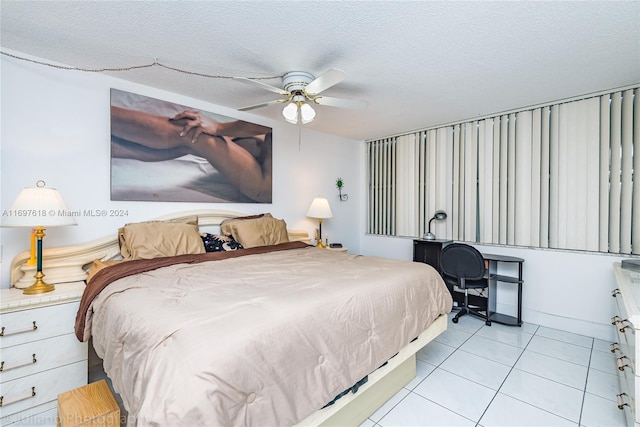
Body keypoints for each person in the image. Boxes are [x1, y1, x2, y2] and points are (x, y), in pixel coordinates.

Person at [110, 107, 272, 203]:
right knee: (189, 142)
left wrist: (219, 127)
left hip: (266, 181)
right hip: (262, 150)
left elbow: (272, 121)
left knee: (191, 132)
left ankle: (99, 111)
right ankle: (103, 142)